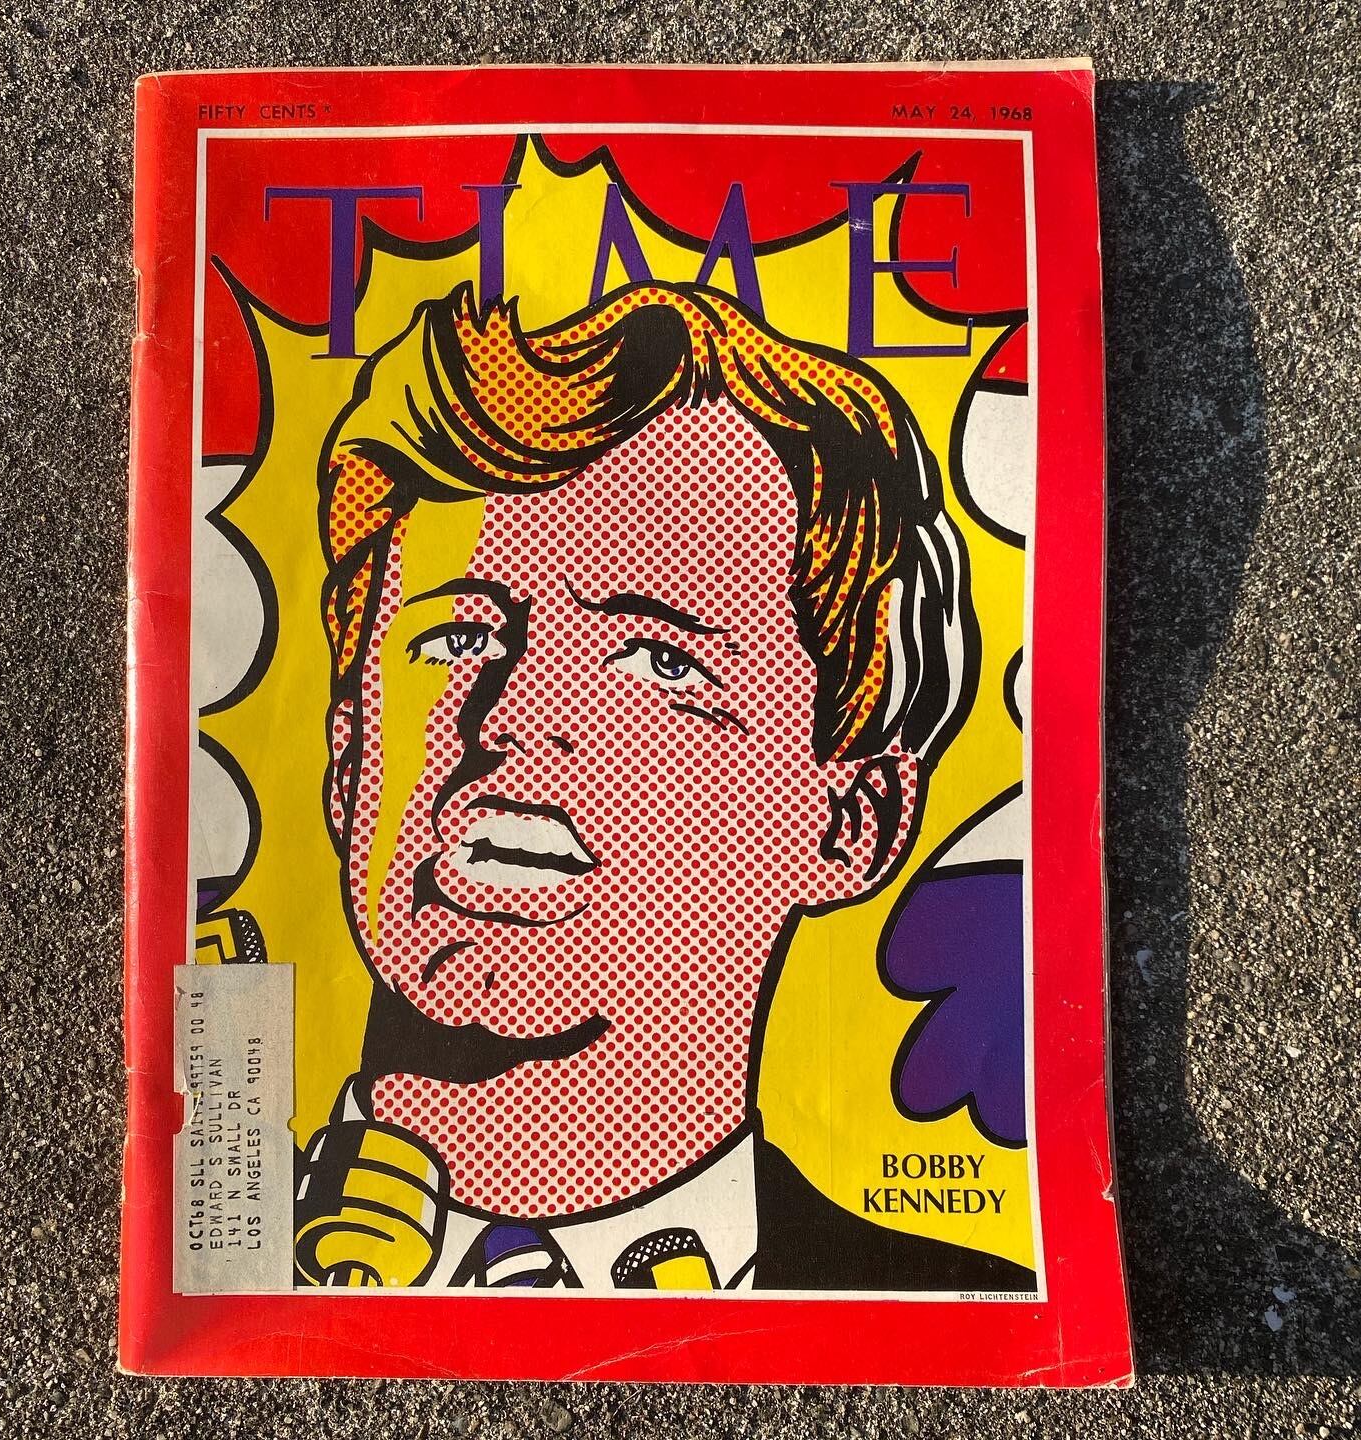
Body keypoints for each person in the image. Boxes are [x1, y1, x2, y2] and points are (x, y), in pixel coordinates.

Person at [292, 281, 1034, 1293]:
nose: (512, 717)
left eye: (662, 662)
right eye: (458, 638)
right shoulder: (224, 1257)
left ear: (851, 822)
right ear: (347, 763)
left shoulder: (947, 1307)